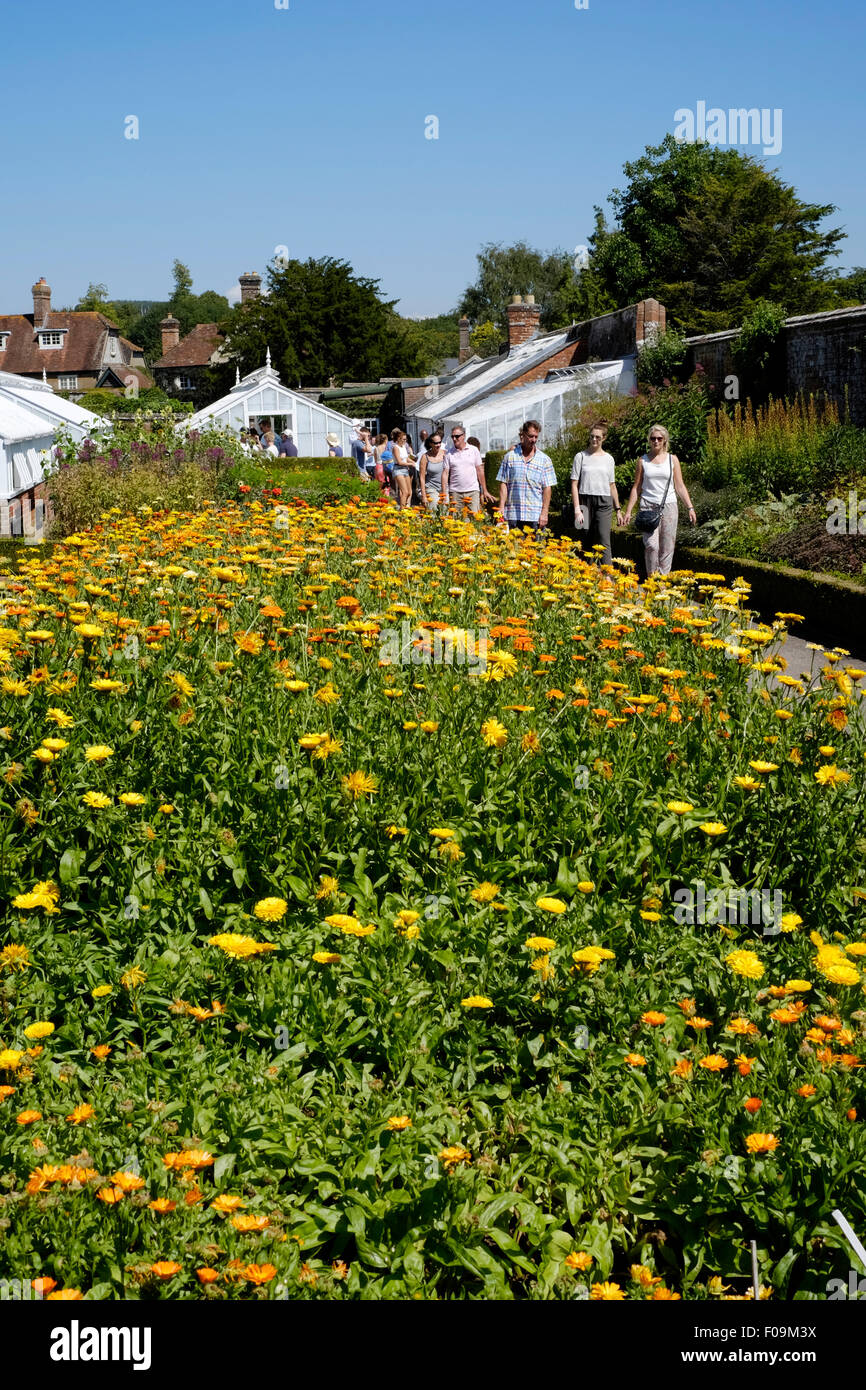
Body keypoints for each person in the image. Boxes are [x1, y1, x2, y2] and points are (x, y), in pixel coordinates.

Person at [622, 423, 697, 577]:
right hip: (648, 507)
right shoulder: (642, 461)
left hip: (669, 506)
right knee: (651, 545)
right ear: (649, 440)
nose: (656, 441)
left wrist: (690, 507)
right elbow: (636, 487)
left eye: (659, 438)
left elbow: (680, 486)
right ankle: (651, 578)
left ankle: (662, 581)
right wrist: (628, 511)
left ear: (664, 440)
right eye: (653, 438)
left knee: (667, 546)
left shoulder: (672, 460)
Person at [571, 424, 622, 564]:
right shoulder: (580, 457)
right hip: (584, 501)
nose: (594, 439)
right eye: (592, 436)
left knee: (603, 539)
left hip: (604, 502)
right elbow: (574, 484)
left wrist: (618, 510)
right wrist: (577, 509)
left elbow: (612, 485)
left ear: (604, 438)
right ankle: (585, 575)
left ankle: (607, 576)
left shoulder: (609, 459)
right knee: (584, 539)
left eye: (597, 437)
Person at [496, 420, 557, 533]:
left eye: (536, 436)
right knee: (512, 549)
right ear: (522, 435)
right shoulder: (510, 457)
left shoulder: (544, 460)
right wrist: (501, 508)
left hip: (535, 516)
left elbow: (547, 488)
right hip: (513, 514)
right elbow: (503, 483)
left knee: (535, 550)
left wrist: (544, 512)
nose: (533, 440)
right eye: (530, 436)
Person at [446, 426, 492, 514]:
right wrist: (444, 493)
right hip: (455, 493)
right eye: (452, 437)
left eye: (457, 436)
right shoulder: (449, 453)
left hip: (472, 491)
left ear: (464, 436)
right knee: (456, 521)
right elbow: (445, 474)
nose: (454, 439)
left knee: (475, 519)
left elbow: (480, 470)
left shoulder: (474, 450)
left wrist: (485, 490)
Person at [419, 431, 448, 511]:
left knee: (446, 510)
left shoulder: (445, 454)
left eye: (439, 442)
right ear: (430, 444)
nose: (438, 445)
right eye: (436, 443)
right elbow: (422, 477)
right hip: (431, 488)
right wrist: (424, 496)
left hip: (445, 488)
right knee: (434, 508)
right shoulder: (425, 457)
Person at [390, 428, 413, 509]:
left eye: (405, 439)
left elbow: (406, 458)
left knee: (409, 492)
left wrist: (414, 462)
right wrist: (411, 464)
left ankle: (405, 507)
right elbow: (399, 461)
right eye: (403, 439)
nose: (405, 441)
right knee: (405, 492)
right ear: (398, 439)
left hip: (405, 469)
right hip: (398, 469)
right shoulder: (396, 447)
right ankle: (402, 510)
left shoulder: (403, 447)